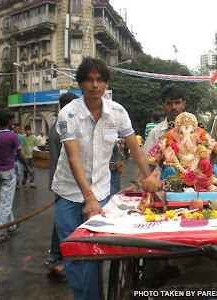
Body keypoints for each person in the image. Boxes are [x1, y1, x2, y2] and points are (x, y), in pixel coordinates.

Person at [51, 57, 151, 300]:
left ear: (106, 83)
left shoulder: (117, 112)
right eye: (89, 79)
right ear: (81, 83)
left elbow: (135, 149)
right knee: (73, 252)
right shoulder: (68, 114)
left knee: (95, 254)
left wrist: (150, 180)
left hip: (102, 192)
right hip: (68, 193)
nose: (95, 85)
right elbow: (73, 157)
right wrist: (89, 197)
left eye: (100, 79)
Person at [120, 83, 186, 193]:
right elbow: (148, 163)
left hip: (192, 188)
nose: (174, 107)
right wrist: (136, 185)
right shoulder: (156, 132)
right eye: (169, 103)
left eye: (177, 103)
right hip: (163, 188)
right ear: (163, 106)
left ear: (183, 104)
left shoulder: (196, 130)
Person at [44, 92, 79, 276]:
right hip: (64, 182)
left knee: (61, 220)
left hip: (57, 179)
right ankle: (57, 257)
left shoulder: (54, 126)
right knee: (63, 221)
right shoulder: (63, 126)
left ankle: (55, 256)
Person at [0, 111, 32, 243]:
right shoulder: (12, 136)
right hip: (8, 173)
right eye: (11, 120)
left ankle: (11, 224)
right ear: (9, 121)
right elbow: (20, 155)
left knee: (3, 199)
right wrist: (27, 167)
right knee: (5, 202)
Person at [12, 123, 24, 189]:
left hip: (18, 156)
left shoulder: (21, 137)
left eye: (18, 128)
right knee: (12, 171)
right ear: (14, 128)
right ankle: (13, 183)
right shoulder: (11, 135)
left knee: (18, 170)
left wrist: (22, 154)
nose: (17, 129)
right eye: (16, 128)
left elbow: (22, 146)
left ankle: (17, 183)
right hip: (12, 155)